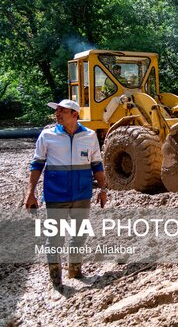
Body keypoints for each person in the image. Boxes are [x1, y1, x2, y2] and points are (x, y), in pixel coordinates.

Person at [24, 99, 107, 290]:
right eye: (57, 111)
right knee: (55, 238)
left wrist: (103, 190)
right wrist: (30, 193)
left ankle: (75, 271)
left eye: (62, 111)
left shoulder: (90, 135)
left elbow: (97, 164)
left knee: (79, 235)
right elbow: (36, 165)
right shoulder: (47, 135)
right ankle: (56, 280)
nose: (57, 114)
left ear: (75, 115)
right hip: (55, 196)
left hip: (82, 195)